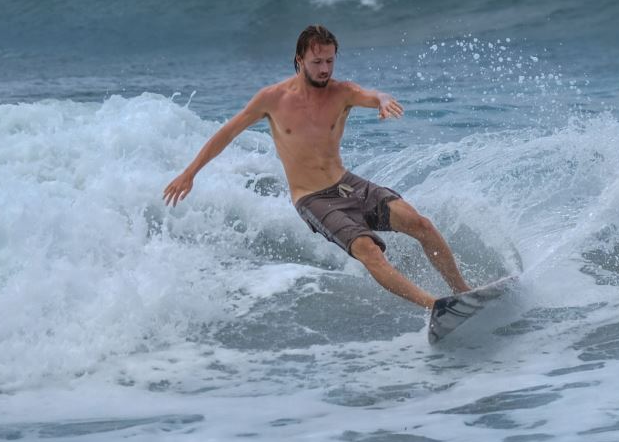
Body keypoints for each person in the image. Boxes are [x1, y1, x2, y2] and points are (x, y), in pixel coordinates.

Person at [163, 25, 471, 309]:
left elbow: (375, 94)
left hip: (349, 184)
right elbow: (227, 133)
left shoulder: (343, 92)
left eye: (330, 61)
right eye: (317, 62)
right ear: (299, 60)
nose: (325, 69)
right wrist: (190, 173)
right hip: (313, 198)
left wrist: (382, 101)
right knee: (368, 250)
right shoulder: (271, 99)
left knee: (422, 225)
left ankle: (464, 293)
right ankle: (437, 307)